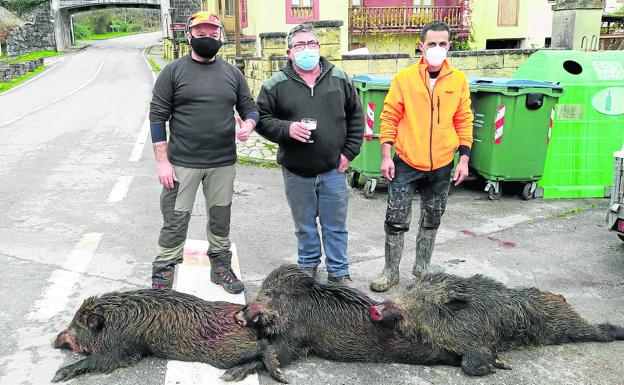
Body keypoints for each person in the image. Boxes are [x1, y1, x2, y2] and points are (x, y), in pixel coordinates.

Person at [148, 11, 259, 293]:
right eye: (201, 33)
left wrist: (249, 124)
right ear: (189, 35)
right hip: (182, 163)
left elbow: (249, 107)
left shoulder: (232, 73)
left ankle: (220, 268)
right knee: (175, 219)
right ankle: (163, 276)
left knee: (221, 219)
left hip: (222, 163)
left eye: (212, 33)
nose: (207, 37)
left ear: (220, 35)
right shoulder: (173, 72)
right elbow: (157, 117)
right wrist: (162, 162)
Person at [255, 23, 364, 285]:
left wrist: (349, 153)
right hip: (296, 171)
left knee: (335, 226)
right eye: (300, 45)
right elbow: (261, 119)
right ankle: (307, 267)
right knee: (304, 226)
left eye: (311, 44)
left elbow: (357, 117)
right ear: (289, 52)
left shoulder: (340, 78)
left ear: (319, 47)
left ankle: (339, 271)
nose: (307, 49)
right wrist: (286, 128)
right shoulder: (275, 85)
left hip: (333, 170)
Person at [369, 21, 474, 292]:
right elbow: (389, 115)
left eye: (442, 44)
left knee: (432, 218)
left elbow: (463, 119)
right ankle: (390, 272)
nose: (437, 49)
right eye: (432, 44)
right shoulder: (405, 79)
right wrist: (386, 154)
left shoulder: (458, 81)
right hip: (406, 162)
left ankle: (422, 266)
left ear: (449, 46)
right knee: (396, 219)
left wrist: (463, 158)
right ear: (421, 46)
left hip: (441, 164)